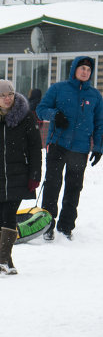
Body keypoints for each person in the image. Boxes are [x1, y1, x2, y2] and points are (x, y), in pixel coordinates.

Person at [0, 80, 42, 274]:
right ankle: (3, 259)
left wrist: (34, 174)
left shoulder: (26, 117)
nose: (7, 98)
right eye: (3, 95)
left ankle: (5, 259)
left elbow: (34, 148)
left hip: (18, 174)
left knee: (9, 214)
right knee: (0, 213)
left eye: (10, 94)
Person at [37, 57, 103, 240]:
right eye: (82, 68)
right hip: (57, 144)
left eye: (88, 70)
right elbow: (40, 109)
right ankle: (47, 225)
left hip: (80, 149)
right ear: (74, 69)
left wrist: (98, 147)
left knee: (74, 187)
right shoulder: (58, 89)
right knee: (52, 184)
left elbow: (100, 124)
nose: (85, 72)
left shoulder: (95, 96)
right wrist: (55, 115)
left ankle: (66, 226)